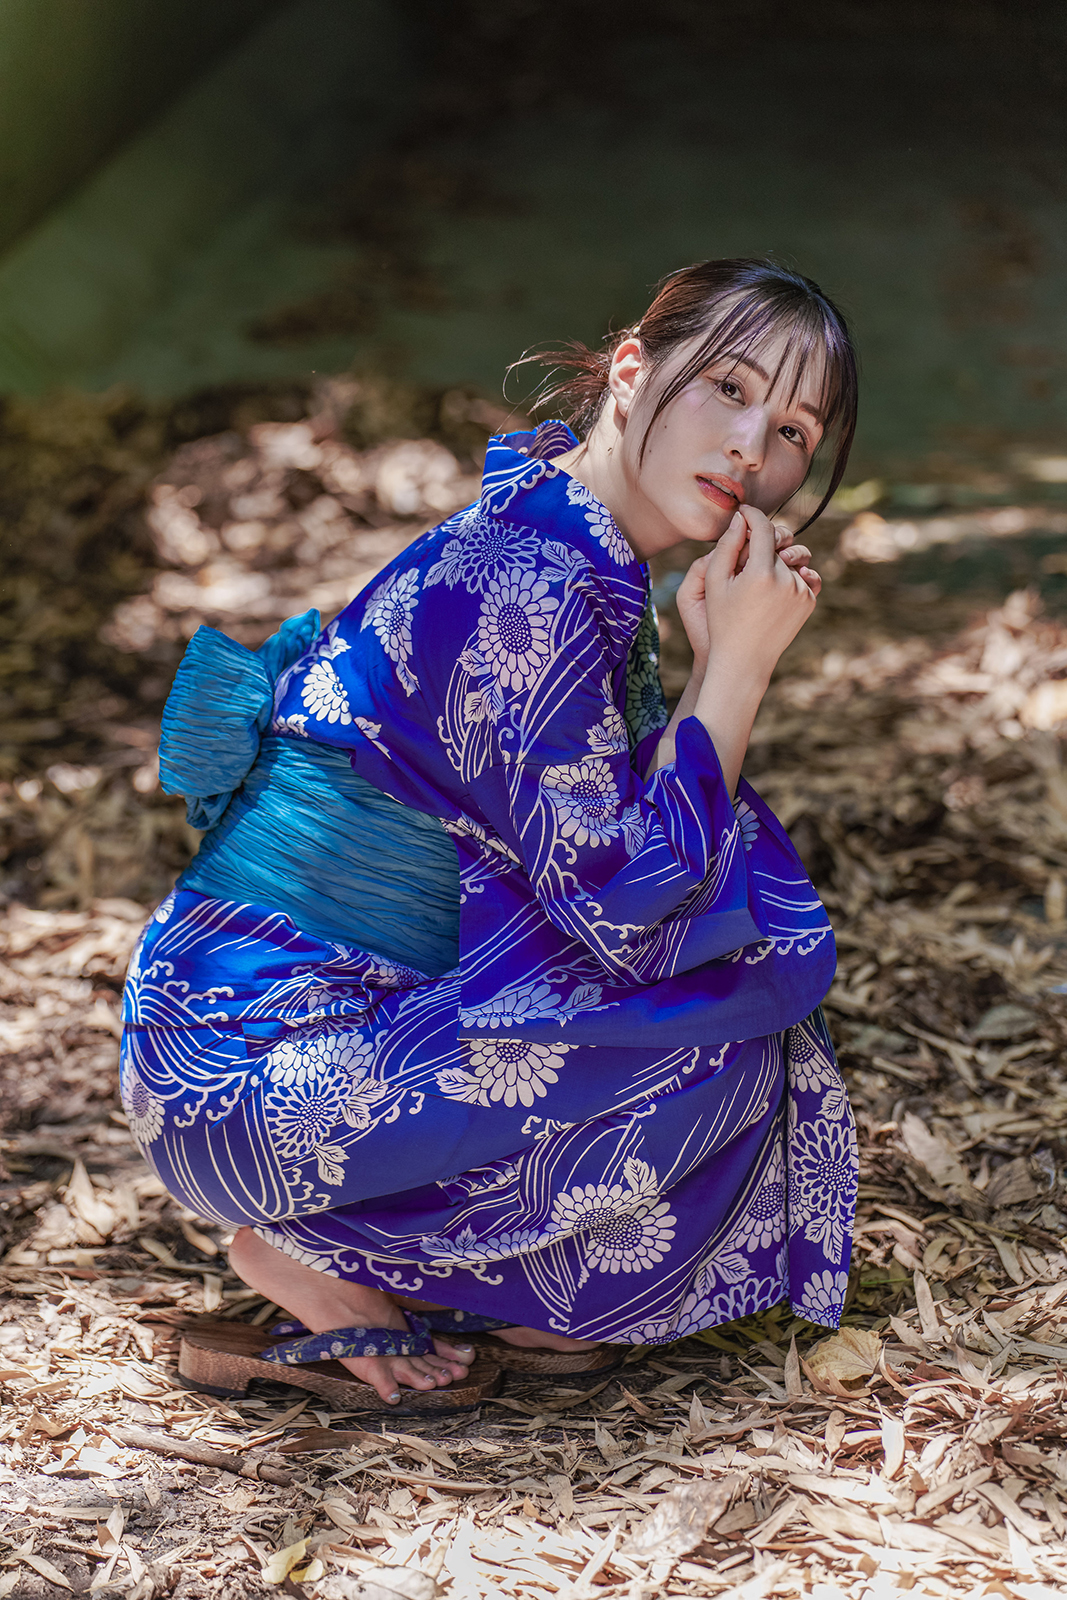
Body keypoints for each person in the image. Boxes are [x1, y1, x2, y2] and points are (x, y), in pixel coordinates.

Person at [120, 258, 860, 1412]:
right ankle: (319, 1249)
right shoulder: (533, 581)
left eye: (793, 429)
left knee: (728, 1002)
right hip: (251, 1071)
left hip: (264, 1047)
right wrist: (738, 666)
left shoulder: (562, 541)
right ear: (632, 370)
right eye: (727, 387)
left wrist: (717, 658)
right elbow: (628, 909)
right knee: (718, 1036)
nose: (751, 446)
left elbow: (605, 876)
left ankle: (456, 1279)